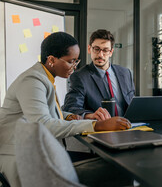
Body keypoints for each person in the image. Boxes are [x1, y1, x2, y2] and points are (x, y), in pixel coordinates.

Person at [0, 32, 132, 187]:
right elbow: (44, 124)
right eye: (71, 61)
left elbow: (45, 111)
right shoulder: (33, 81)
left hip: (38, 153)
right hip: (24, 160)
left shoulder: (43, 78)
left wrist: (70, 116)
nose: (75, 67)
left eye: (77, 61)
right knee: (119, 170)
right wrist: (97, 125)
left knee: (113, 166)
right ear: (51, 60)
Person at [63, 29, 135, 120]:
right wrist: (92, 116)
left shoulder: (125, 73)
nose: (100, 55)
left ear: (111, 52)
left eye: (105, 50)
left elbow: (132, 103)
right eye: (96, 49)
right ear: (89, 49)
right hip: (101, 130)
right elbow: (71, 108)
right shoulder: (79, 77)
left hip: (129, 127)